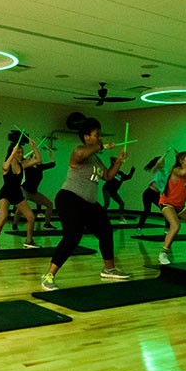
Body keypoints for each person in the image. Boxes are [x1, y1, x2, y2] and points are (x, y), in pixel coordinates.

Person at [38, 117, 131, 291]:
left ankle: (109, 269)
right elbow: (80, 154)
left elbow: (108, 176)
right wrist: (102, 146)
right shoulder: (79, 150)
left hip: (88, 203)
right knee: (73, 236)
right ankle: (48, 275)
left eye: (100, 135)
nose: (100, 138)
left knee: (106, 230)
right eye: (97, 135)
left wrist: (118, 161)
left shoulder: (95, 158)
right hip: (69, 199)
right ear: (87, 137)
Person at [0, 134, 40, 251]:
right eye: (18, 152)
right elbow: (5, 167)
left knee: (31, 217)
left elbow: (38, 160)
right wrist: (12, 153)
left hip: (17, 194)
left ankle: (29, 241)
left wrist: (34, 147)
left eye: (22, 152)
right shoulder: (7, 165)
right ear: (13, 153)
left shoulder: (23, 164)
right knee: (4, 216)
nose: (21, 154)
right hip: (6, 193)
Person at [13, 146, 56, 230]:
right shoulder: (27, 167)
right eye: (35, 157)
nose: (37, 158)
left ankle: (47, 224)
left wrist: (51, 153)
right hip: (24, 190)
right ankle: (15, 224)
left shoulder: (40, 167)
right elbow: (22, 158)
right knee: (20, 208)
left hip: (33, 193)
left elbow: (53, 164)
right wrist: (33, 150)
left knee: (49, 205)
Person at [136, 155, 168, 232]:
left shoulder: (165, 171)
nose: (163, 163)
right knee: (147, 211)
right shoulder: (155, 170)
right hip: (148, 193)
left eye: (163, 161)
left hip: (156, 194)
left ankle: (167, 228)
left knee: (166, 209)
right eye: (161, 161)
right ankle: (139, 229)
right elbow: (157, 164)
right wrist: (165, 153)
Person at [101, 158, 134, 223]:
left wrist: (133, 169)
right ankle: (99, 217)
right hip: (106, 189)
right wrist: (114, 161)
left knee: (121, 203)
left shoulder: (121, 174)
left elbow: (129, 176)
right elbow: (112, 166)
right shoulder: (112, 171)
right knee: (107, 204)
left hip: (113, 191)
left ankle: (121, 219)